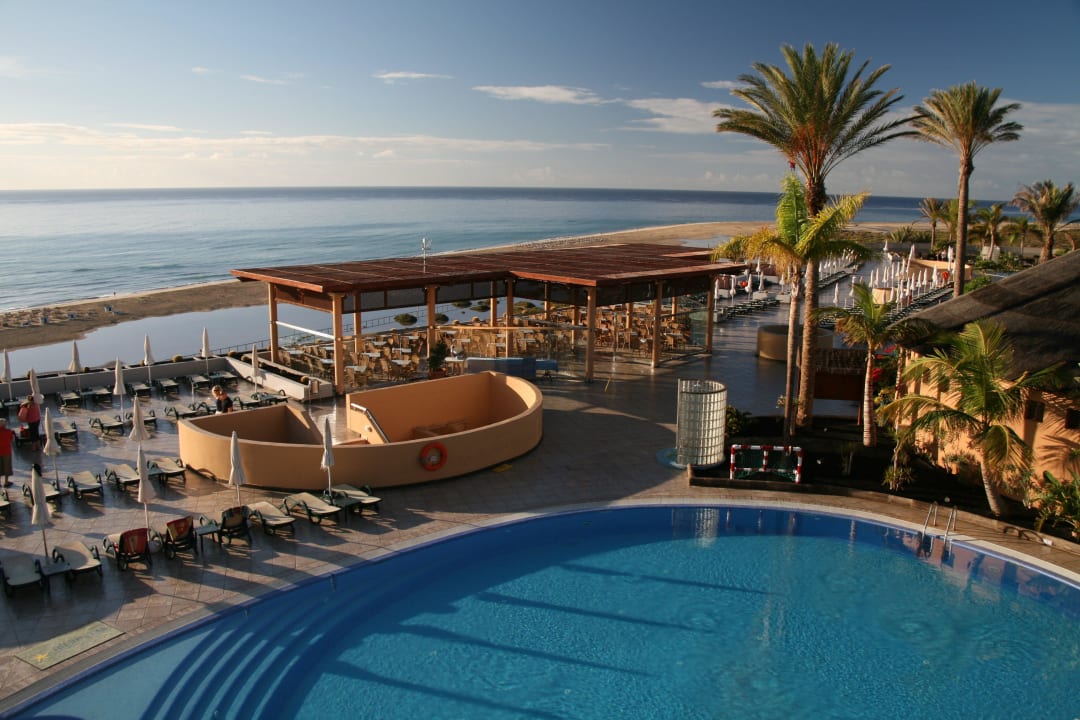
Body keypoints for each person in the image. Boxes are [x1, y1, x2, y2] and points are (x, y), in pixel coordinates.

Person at [0, 418, 15, 487]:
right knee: (7, 466)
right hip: (6, 451)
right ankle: (6, 482)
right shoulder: (8, 431)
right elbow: (11, 439)